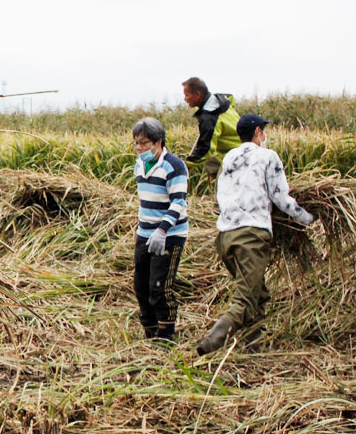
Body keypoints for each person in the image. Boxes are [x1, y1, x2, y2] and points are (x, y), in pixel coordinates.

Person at [197, 114, 315, 355]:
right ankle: (209, 344)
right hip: (250, 237)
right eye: (264, 131)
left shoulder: (230, 158)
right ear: (259, 132)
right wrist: (308, 219)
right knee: (244, 301)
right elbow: (281, 198)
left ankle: (254, 347)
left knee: (257, 294)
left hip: (225, 237)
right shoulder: (267, 157)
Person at [131, 117, 189, 342]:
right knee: (141, 286)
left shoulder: (173, 166)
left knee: (159, 287)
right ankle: (150, 332)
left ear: (158, 142)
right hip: (144, 233)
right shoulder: (139, 164)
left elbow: (178, 202)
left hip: (169, 235)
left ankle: (165, 337)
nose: (139, 148)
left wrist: (162, 230)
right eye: (136, 143)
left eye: (144, 143)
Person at [182, 77, 241, 179]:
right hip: (244, 148)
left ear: (197, 95)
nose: (185, 99)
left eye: (187, 95)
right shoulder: (221, 102)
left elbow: (206, 149)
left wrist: (186, 165)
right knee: (211, 163)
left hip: (236, 157)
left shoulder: (209, 118)